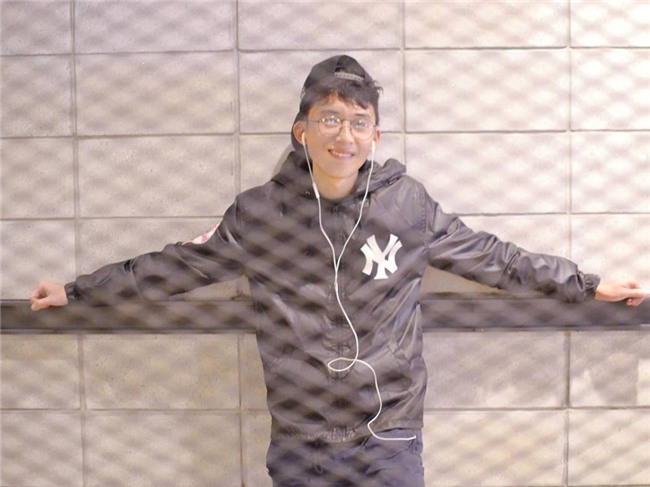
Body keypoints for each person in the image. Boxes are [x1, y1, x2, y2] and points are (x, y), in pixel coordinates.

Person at [30, 55, 648, 487]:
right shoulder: (260, 214)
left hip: (389, 435)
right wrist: (78, 292)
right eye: (329, 119)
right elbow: (176, 265)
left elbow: (495, 258)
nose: (344, 135)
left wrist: (588, 284)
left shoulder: (407, 206)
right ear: (302, 132)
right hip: (301, 442)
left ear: (374, 135)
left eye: (358, 122)